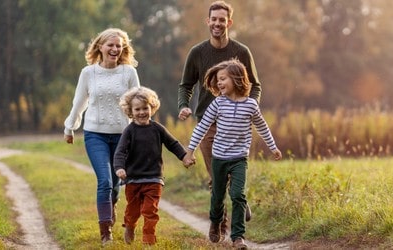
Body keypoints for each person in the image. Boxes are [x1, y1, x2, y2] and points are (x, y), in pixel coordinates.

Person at [177, 0, 260, 232]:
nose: (217, 23)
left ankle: (239, 200)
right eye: (213, 19)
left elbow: (255, 86)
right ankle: (219, 223)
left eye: (221, 20)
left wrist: (250, 109)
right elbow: (185, 85)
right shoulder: (197, 52)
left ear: (229, 22)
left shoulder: (241, 52)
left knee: (235, 173)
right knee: (216, 177)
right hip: (208, 123)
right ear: (208, 21)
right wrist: (184, 105)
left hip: (236, 123)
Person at [184, 59, 281, 249]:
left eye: (223, 79)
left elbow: (262, 126)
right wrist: (189, 151)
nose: (219, 83)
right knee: (218, 197)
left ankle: (238, 237)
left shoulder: (251, 105)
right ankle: (216, 222)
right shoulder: (218, 104)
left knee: (238, 195)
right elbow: (202, 127)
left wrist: (273, 147)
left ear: (237, 79)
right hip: (219, 158)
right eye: (217, 80)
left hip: (239, 159)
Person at [63, 27, 140, 245]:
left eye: (119, 45)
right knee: (104, 181)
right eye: (111, 45)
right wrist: (70, 127)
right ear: (100, 46)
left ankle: (112, 204)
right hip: (95, 134)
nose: (115, 49)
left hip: (122, 136)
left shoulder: (128, 73)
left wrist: (141, 132)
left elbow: (138, 102)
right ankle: (105, 232)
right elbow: (79, 102)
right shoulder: (88, 73)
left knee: (115, 184)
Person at [113, 87, 194, 245]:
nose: (142, 112)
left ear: (152, 108)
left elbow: (173, 144)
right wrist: (119, 168)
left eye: (145, 108)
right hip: (133, 179)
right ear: (130, 111)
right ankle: (129, 226)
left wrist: (184, 156)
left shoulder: (157, 129)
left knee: (150, 211)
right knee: (133, 210)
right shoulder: (129, 131)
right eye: (137, 109)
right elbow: (120, 152)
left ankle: (148, 239)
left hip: (154, 178)